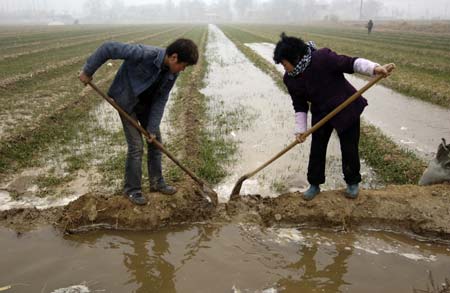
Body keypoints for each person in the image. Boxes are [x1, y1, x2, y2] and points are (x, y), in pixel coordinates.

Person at [273, 33, 394, 200]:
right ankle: (314, 184)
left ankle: (352, 182)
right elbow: (299, 105)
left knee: (349, 147)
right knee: (317, 148)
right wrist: (300, 130)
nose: (283, 67)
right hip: (321, 112)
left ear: (295, 57)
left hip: (346, 106)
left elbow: (350, 63)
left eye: (284, 63)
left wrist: (374, 68)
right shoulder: (290, 79)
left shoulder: (322, 58)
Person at [79, 39, 199, 205]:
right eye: (183, 65)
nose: (183, 69)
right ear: (173, 57)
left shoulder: (172, 73)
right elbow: (108, 48)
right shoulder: (144, 54)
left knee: (155, 141)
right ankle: (132, 190)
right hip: (126, 101)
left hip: (146, 104)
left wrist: (152, 128)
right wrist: (88, 71)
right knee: (136, 146)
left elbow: (161, 99)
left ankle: (157, 182)